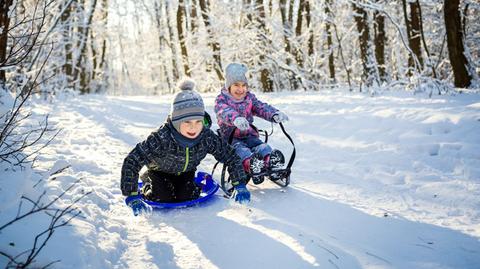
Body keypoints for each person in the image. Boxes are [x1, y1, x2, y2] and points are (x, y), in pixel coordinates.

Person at [121, 79, 250, 215]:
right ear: (176, 121)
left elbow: (230, 155)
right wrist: (132, 195)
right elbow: (133, 160)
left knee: (187, 196)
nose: (193, 127)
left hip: (186, 171)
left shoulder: (205, 136)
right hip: (159, 172)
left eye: (198, 121)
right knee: (163, 197)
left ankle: (191, 184)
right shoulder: (162, 137)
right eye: (187, 122)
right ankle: (148, 181)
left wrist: (239, 184)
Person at [214, 62, 289, 185]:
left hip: (249, 135)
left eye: (244, 85)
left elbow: (260, 107)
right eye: (236, 85)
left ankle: (271, 162)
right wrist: (235, 119)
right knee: (241, 151)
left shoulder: (249, 98)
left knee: (263, 147)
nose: (241, 89)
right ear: (228, 86)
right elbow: (223, 111)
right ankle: (251, 165)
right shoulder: (221, 100)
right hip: (231, 139)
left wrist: (274, 114)